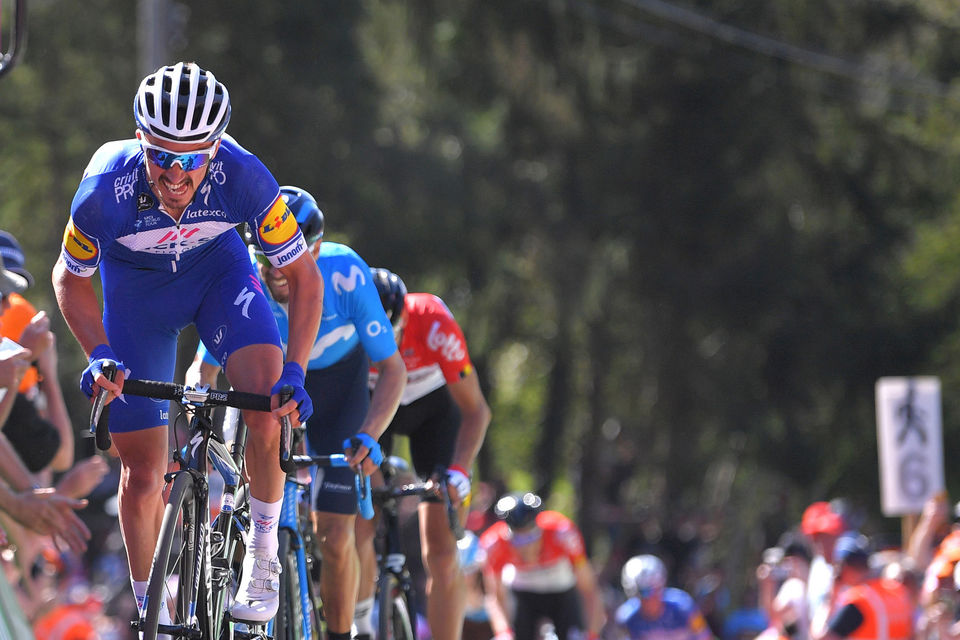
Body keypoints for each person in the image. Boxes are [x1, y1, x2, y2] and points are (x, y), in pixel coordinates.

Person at [51, 61, 324, 624]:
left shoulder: (244, 176)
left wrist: (296, 371)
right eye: (161, 156)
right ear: (139, 141)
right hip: (137, 301)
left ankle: (263, 555)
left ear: (216, 149)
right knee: (146, 472)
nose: (176, 174)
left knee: (267, 404)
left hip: (218, 282)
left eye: (193, 158)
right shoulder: (104, 189)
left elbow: (303, 278)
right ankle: (154, 604)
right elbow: (70, 279)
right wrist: (98, 352)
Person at [186, 186, 406, 640]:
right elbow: (205, 364)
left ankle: (340, 634)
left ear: (317, 249)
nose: (276, 268)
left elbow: (391, 369)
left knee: (334, 535)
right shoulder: (242, 273)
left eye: (288, 254)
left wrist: (369, 434)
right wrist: (195, 408)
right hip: (271, 384)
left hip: (339, 390)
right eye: (266, 256)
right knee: (245, 469)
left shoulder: (345, 273)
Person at [356, 268, 493, 640]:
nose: (389, 344)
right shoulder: (345, 323)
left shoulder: (433, 322)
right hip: (374, 410)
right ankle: (362, 624)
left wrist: (460, 473)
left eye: (394, 333)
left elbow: (477, 411)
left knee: (442, 552)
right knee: (359, 524)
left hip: (433, 414)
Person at [479, 492, 606, 640]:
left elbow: (589, 589)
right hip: (523, 594)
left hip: (562, 594)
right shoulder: (492, 544)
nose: (526, 548)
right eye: (518, 541)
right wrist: (503, 633)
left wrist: (592, 634)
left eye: (531, 537)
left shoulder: (563, 534)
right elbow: (495, 596)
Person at [813, 535, 913, 640]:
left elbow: (821, 637)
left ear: (843, 568)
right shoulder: (898, 591)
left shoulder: (860, 600)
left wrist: (830, 601)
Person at [615, 553, 713, 640]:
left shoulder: (682, 606)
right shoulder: (627, 617)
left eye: (654, 590)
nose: (649, 599)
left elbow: (705, 636)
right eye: (641, 594)